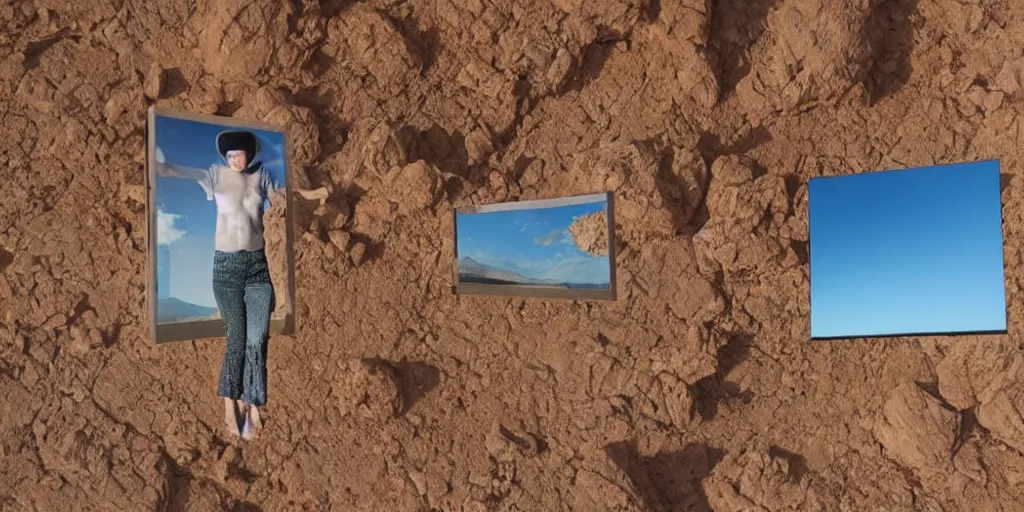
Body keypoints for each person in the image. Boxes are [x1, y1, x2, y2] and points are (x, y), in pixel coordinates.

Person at [155, 129, 280, 440]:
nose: (235, 159)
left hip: (257, 267)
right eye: (230, 154)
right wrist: (159, 165)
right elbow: (178, 170)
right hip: (226, 268)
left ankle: (251, 402)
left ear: (250, 154)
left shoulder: (261, 176)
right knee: (236, 336)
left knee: (257, 338)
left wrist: (306, 196)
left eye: (240, 153)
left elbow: (282, 196)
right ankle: (229, 403)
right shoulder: (215, 175)